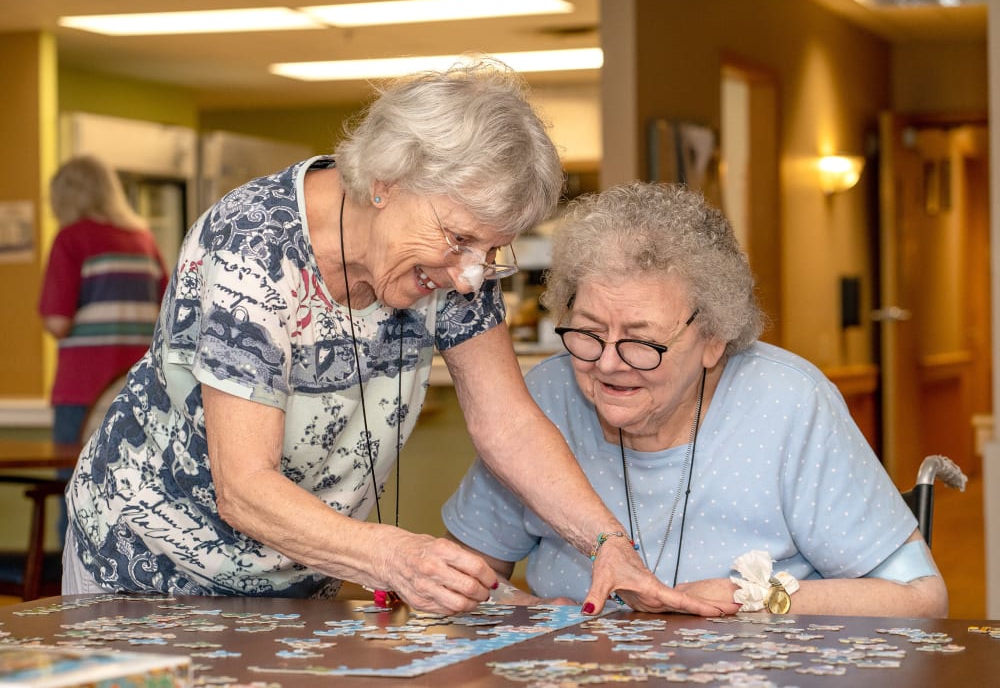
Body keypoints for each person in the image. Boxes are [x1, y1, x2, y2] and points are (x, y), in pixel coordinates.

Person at [62, 60, 730, 617]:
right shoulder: (253, 245)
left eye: (492, 249)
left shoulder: (449, 266)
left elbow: (508, 423)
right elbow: (244, 487)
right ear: (385, 182)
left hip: (296, 580)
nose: (471, 273)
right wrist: (393, 555)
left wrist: (607, 542)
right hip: (142, 572)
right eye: (461, 239)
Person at [443, 180, 949, 617]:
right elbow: (468, 574)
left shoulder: (790, 403)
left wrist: (747, 598)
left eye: (642, 342)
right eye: (589, 332)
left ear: (713, 339)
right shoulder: (545, 398)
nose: (609, 362)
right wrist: (524, 610)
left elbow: (920, 599)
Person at [39, 155, 169, 541]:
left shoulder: (71, 238)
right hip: (140, 387)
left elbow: (57, 322)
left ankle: (74, 593)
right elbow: (167, 314)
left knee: (77, 492)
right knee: (135, 493)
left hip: (83, 387)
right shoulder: (143, 240)